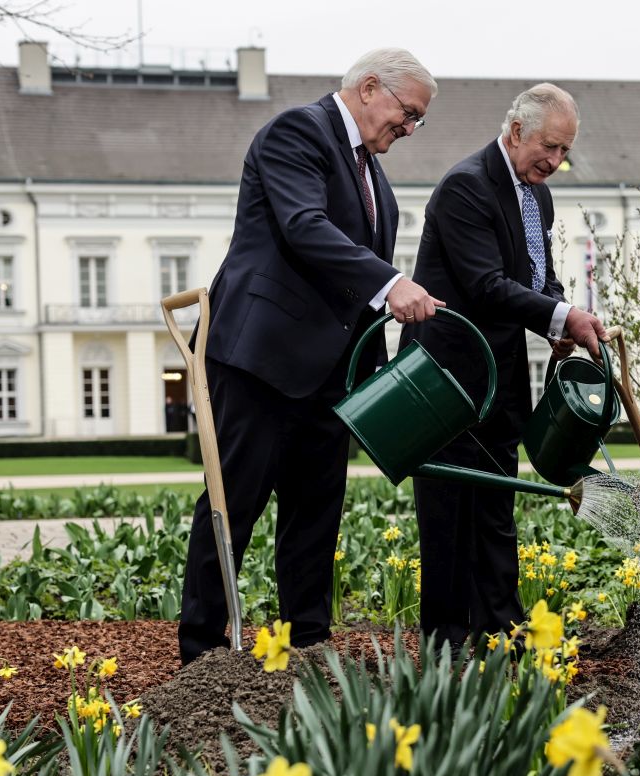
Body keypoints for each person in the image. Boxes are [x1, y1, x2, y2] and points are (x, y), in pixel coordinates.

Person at [179, 48, 443, 664]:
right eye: (407, 115)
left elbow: (352, 293)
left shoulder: (374, 176)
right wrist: (390, 282)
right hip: (259, 360)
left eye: (416, 123)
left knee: (317, 511)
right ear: (370, 87)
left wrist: (378, 375)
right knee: (233, 502)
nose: (407, 130)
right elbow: (303, 226)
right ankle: (201, 654)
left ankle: (309, 644)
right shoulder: (298, 132)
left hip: (329, 376)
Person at [399, 83, 605, 651]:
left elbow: (539, 278)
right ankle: (447, 643)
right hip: (444, 378)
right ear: (516, 131)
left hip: (499, 378)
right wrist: (563, 317)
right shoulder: (466, 188)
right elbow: (487, 287)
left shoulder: (538, 194)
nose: (556, 161)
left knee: (495, 507)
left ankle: (502, 627)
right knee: (447, 512)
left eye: (565, 151)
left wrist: (560, 319)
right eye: (550, 147)